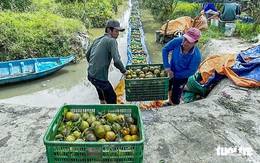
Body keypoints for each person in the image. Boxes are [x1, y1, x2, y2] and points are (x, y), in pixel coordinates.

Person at [86, 20, 128, 104]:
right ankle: (111, 114)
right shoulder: (112, 41)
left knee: (101, 93)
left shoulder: (97, 39)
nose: (118, 34)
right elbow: (116, 61)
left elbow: (88, 56)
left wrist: (95, 65)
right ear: (109, 30)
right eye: (116, 31)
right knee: (112, 98)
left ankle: (102, 104)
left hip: (90, 75)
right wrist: (124, 71)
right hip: (100, 78)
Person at [162, 28, 202, 106]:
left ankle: (175, 105)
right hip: (171, 69)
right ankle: (170, 102)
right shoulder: (177, 41)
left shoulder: (196, 56)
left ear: (195, 43)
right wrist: (167, 65)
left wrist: (175, 75)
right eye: (185, 39)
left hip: (182, 76)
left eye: (189, 41)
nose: (185, 43)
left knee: (177, 92)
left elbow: (191, 71)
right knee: (168, 86)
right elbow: (165, 49)